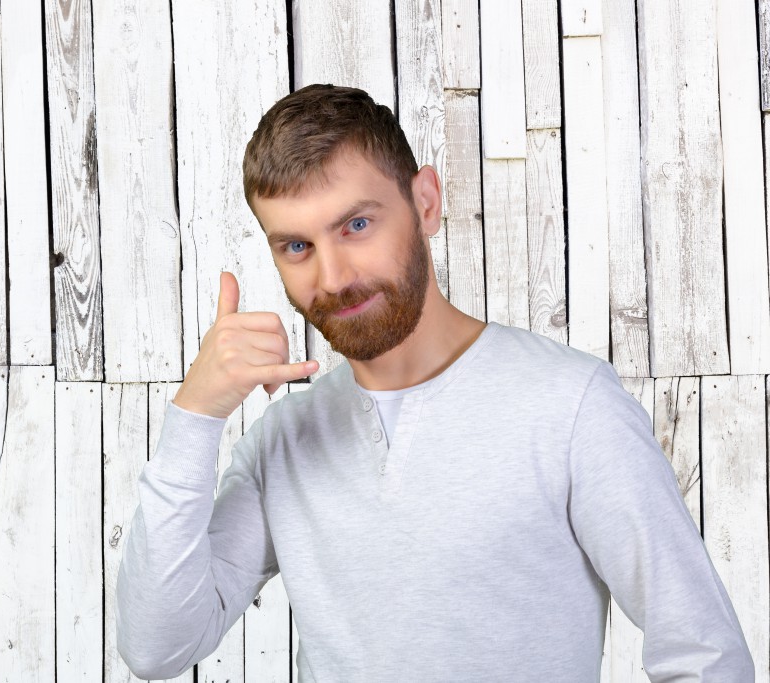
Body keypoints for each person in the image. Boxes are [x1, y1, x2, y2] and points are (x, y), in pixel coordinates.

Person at [115, 84, 754, 681]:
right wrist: (194, 415)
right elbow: (158, 646)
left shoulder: (572, 406)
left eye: (356, 225)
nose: (333, 277)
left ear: (425, 202)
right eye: (297, 247)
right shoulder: (284, 440)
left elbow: (703, 651)